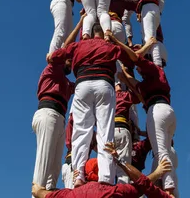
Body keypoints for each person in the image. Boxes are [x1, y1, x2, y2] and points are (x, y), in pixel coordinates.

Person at [47, 25, 133, 187]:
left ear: (91, 34)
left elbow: (57, 55)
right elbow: (130, 58)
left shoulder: (80, 45)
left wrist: (51, 56)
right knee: (105, 132)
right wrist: (114, 40)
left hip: (83, 84)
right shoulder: (109, 46)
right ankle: (106, 177)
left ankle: (78, 175)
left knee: (81, 131)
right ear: (103, 34)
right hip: (104, 84)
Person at [114, 37, 177, 196]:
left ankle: (168, 191)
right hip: (168, 110)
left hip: (156, 111)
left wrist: (145, 45)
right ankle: (171, 188)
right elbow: (134, 85)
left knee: (160, 153)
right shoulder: (154, 77)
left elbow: (135, 58)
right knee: (165, 152)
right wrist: (124, 77)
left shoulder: (150, 68)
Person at [31, 143, 172, 198]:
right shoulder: (114, 191)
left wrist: (38, 190)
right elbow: (142, 185)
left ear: (85, 176)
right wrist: (158, 173)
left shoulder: (70, 195)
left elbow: (43, 194)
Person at [32, 57, 75, 195]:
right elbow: (58, 56)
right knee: (43, 165)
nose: (71, 65)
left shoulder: (67, 83)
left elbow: (83, 83)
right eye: (70, 60)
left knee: (54, 169)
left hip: (59, 118)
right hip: (48, 113)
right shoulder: (52, 70)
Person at [114, 82, 142, 184]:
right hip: (122, 129)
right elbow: (138, 97)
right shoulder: (123, 95)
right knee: (123, 170)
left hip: (107, 132)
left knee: (107, 167)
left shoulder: (106, 95)